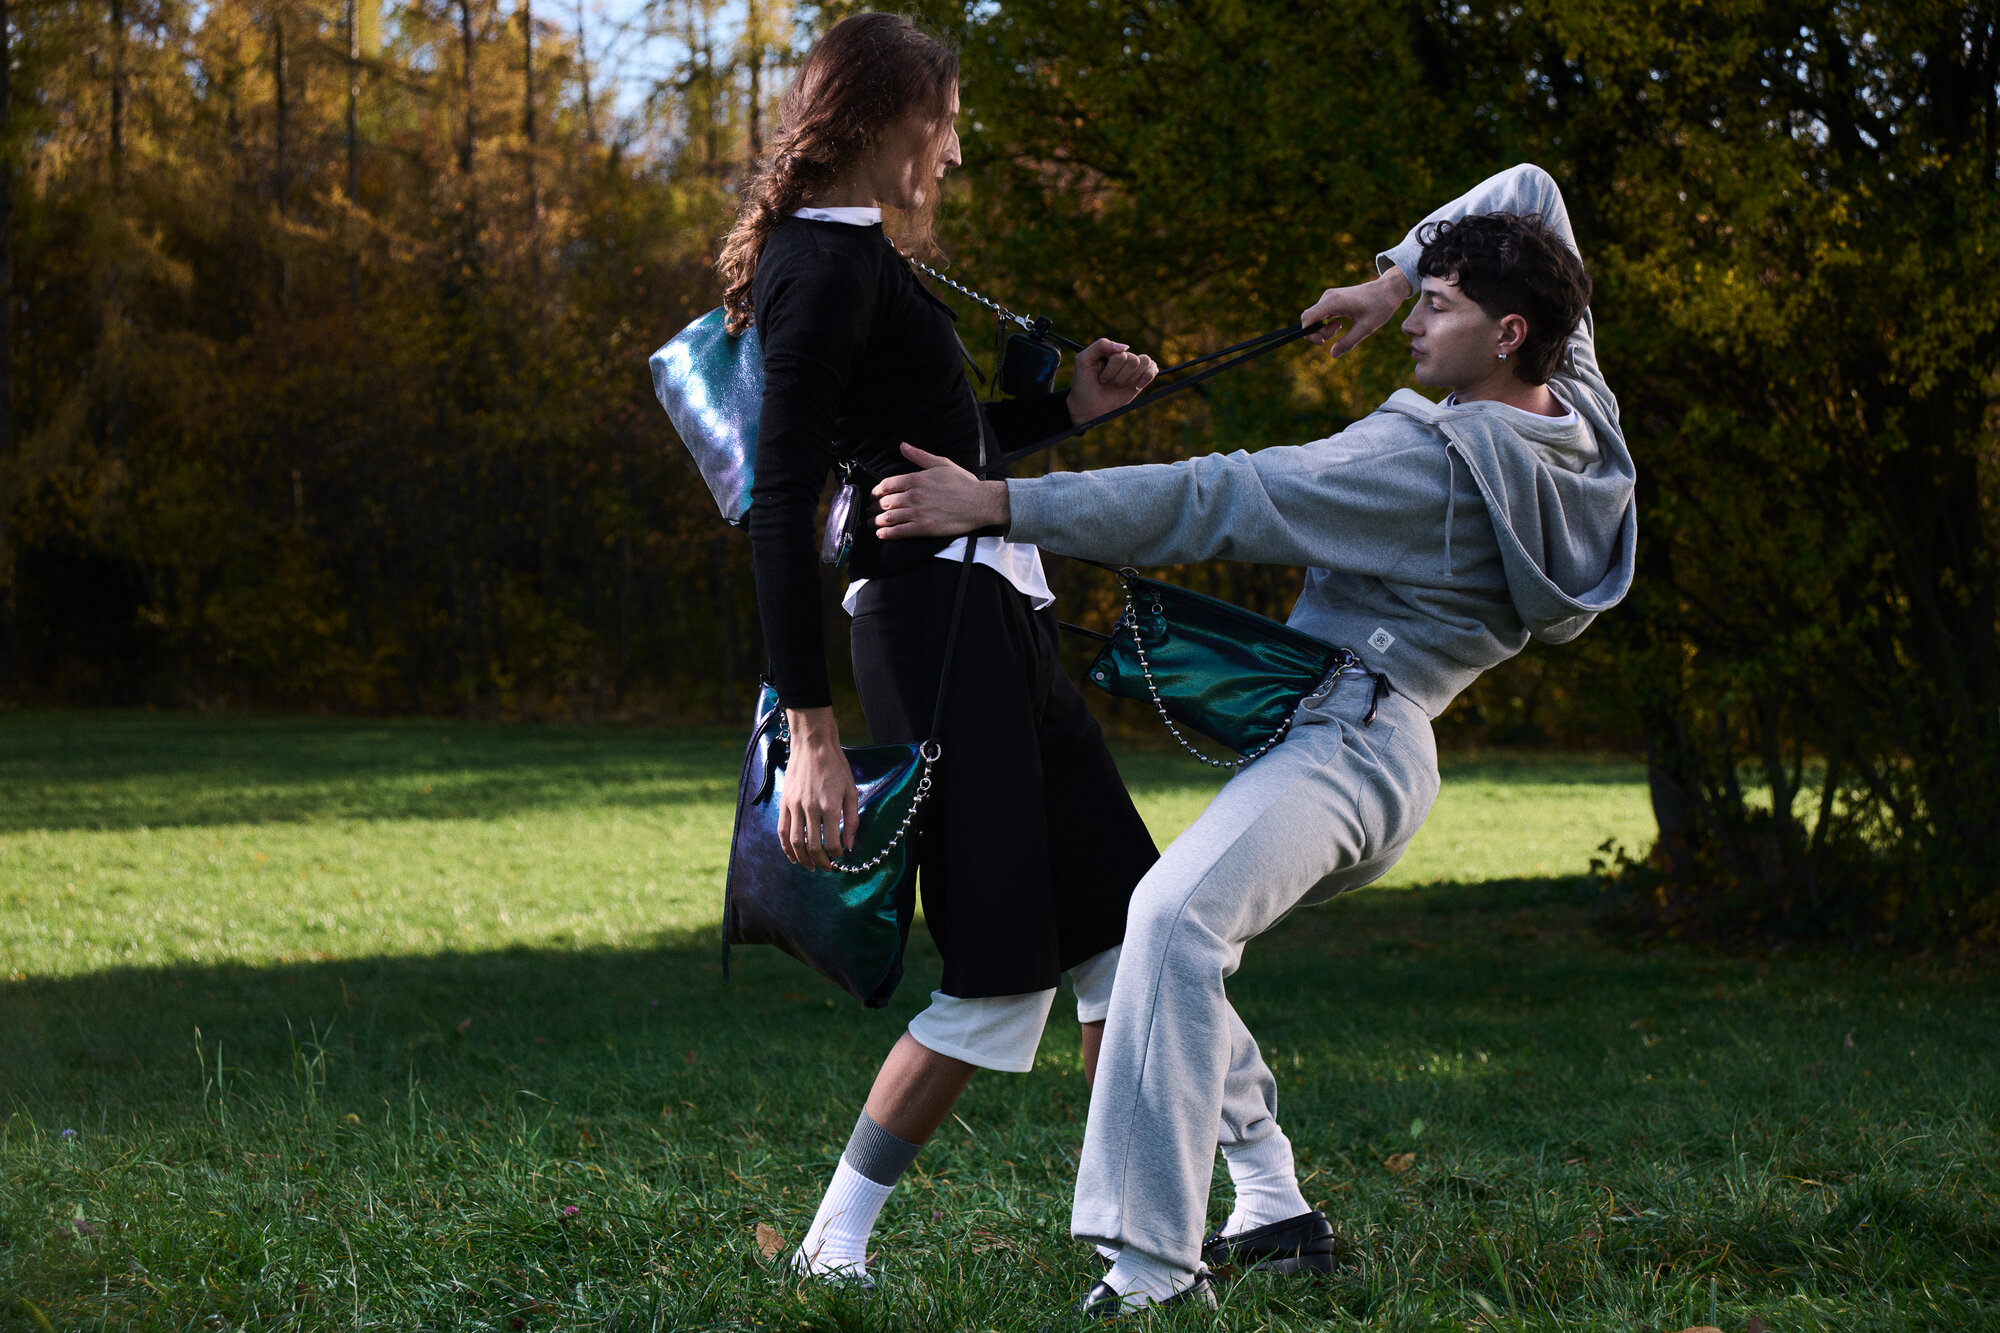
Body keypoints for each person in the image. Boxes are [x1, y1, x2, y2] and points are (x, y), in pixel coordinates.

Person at [873, 163, 1637, 1316]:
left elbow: (1214, 495)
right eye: (1420, 299)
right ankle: (1271, 1203)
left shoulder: (1428, 469)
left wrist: (998, 504)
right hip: (1382, 742)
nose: (1414, 322)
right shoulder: (1578, 413)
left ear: (1507, 330)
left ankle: (1148, 1272)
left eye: (1440, 307)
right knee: (1162, 928)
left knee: (1167, 920)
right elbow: (1528, 186)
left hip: (1349, 744)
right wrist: (1390, 280)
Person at [713, 12, 1166, 1287]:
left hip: (997, 612)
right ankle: (830, 1246)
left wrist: (1066, 410)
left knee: (1132, 936)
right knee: (999, 974)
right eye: (948, 121)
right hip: (933, 627)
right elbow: (779, 498)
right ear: (885, 117)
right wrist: (807, 735)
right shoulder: (824, 265)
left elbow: (933, 448)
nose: (955, 152)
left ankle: (1210, 1220)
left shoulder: (865, 260)